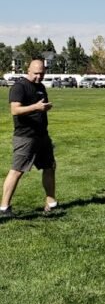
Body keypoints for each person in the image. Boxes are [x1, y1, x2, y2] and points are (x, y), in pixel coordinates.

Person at [1, 59, 57, 218]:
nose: (39, 76)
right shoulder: (19, 87)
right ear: (28, 70)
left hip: (42, 135)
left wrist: (44, 108)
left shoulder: (41, 87)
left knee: (50, 166)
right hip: (25, 136)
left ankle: (51, 203)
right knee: (17, 171)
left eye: (42, 74)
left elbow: (40, 107)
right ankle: (4, 208)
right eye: (36, 73)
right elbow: (15, 110)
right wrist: (36, 107)